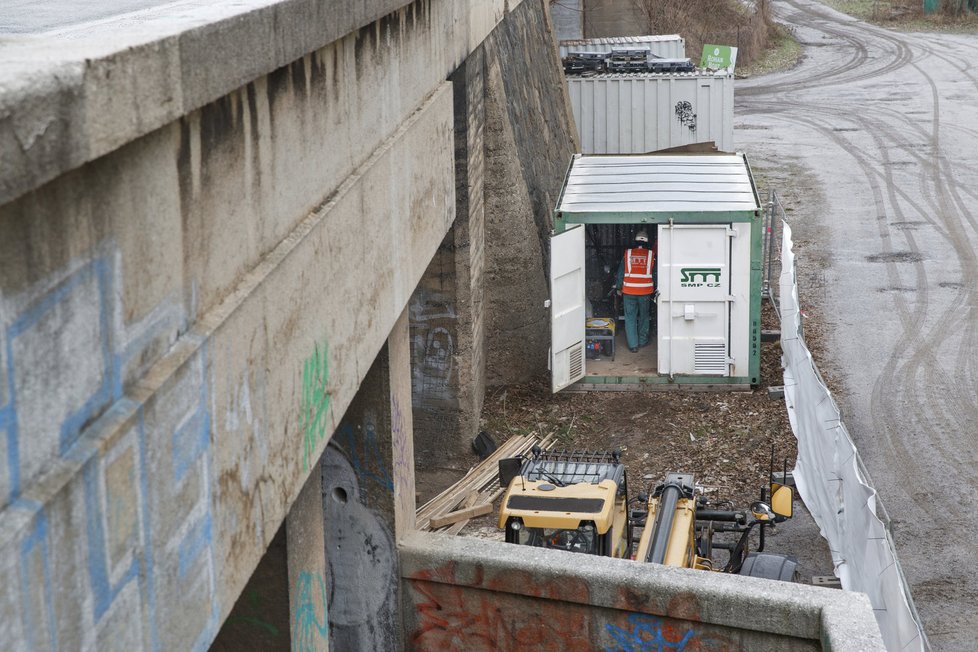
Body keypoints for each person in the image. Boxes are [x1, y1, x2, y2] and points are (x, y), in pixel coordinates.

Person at [614, 230, 654, 353]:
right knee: (644, 317)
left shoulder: (628, 253)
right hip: (645, 292)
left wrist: (619, 288)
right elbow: (656, 274)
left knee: (630, 317)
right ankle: (642, 341)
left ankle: (633, 345)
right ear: (647, 242)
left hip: (629, 291)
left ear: (635, 241)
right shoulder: (651, 255)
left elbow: (621, 272)